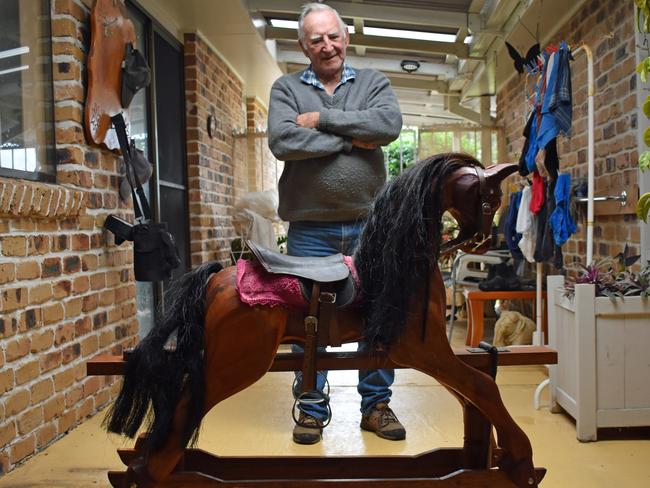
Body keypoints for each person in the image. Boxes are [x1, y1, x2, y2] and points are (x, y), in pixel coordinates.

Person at [267, 2, 404, 445]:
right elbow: (283, 140)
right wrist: (352, 139)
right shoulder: (286, 88)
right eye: (316, 40)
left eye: (334, 36)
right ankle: (310, 409)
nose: (328, 46)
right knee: (308, 319)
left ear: (345, 36)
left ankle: (376, 406)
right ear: (303, 46)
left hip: (370, 225)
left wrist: (323, 121)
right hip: (310, 228)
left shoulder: (371, 82)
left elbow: (387, 125)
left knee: (379, 312)